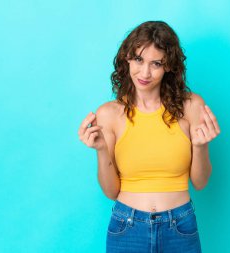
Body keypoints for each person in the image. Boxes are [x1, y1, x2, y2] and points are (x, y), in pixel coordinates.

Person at [78, 20, 220, 253]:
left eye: (156, 63)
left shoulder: (191, 106)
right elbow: (111, 191)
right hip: (127, 227)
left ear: (169, 67)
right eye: (139, 60)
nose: (145, 73)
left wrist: (201, 146)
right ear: (127, 59)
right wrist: (102, 150)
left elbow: (200, 182)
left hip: (180, 227)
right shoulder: (109, 114)